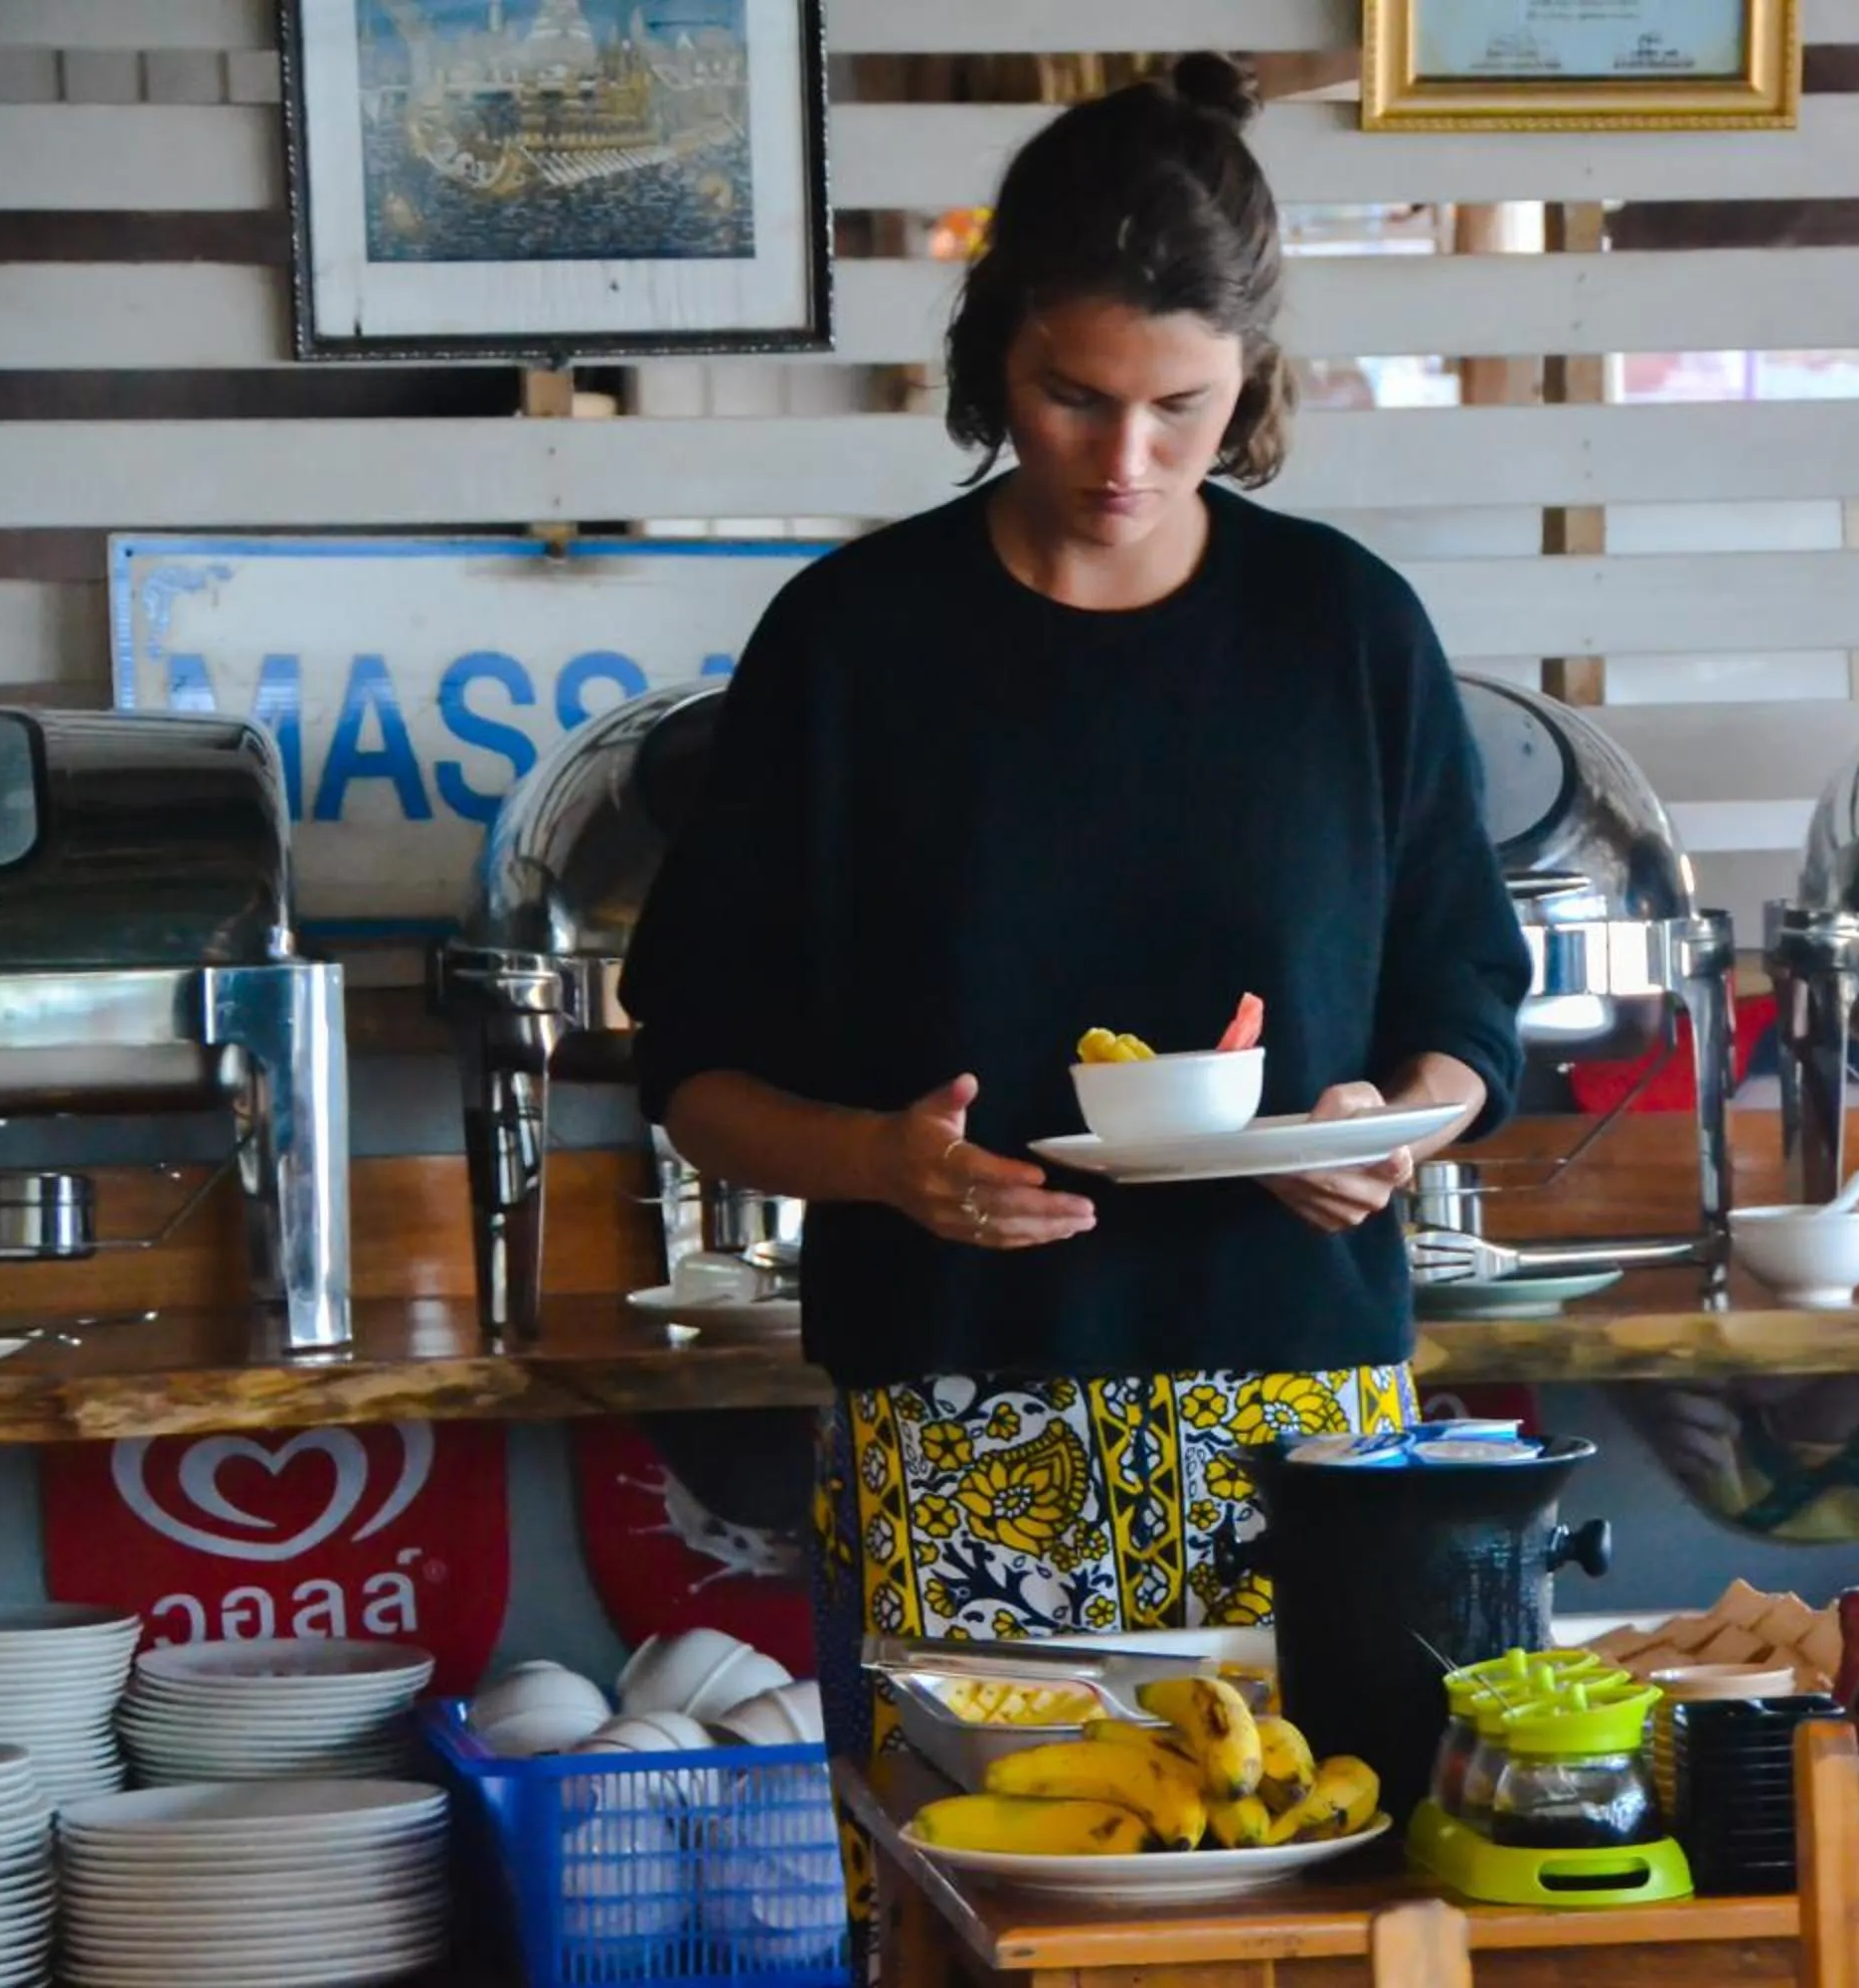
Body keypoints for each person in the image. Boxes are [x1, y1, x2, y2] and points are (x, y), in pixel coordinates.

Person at [616, 52, 1530, 1961]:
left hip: (1299, 1415)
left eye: (1181, 409)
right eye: (1071, 397)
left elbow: (1468, 989)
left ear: (1252, 381)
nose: (1123, 460)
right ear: (991, 354)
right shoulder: (856, 644)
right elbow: (690, 1054)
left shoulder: (1343, 632)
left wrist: (1391, 1124)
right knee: (969, 1935)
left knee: (1313, 1923)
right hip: (958, 1401)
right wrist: (876, 1162)